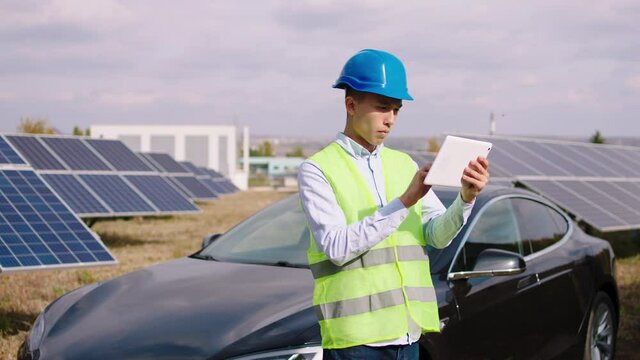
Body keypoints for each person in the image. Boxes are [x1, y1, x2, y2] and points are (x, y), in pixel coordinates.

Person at [298, 49, 490, 359]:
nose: (390, 119)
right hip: (356, 344)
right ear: (350, 105)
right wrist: (404, 202)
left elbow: (437, 236)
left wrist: (465, 199)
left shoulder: (405, 165)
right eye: (383, 107)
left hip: (408, 334)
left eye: (397, 110)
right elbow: (336, 247)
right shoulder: (317, 169)